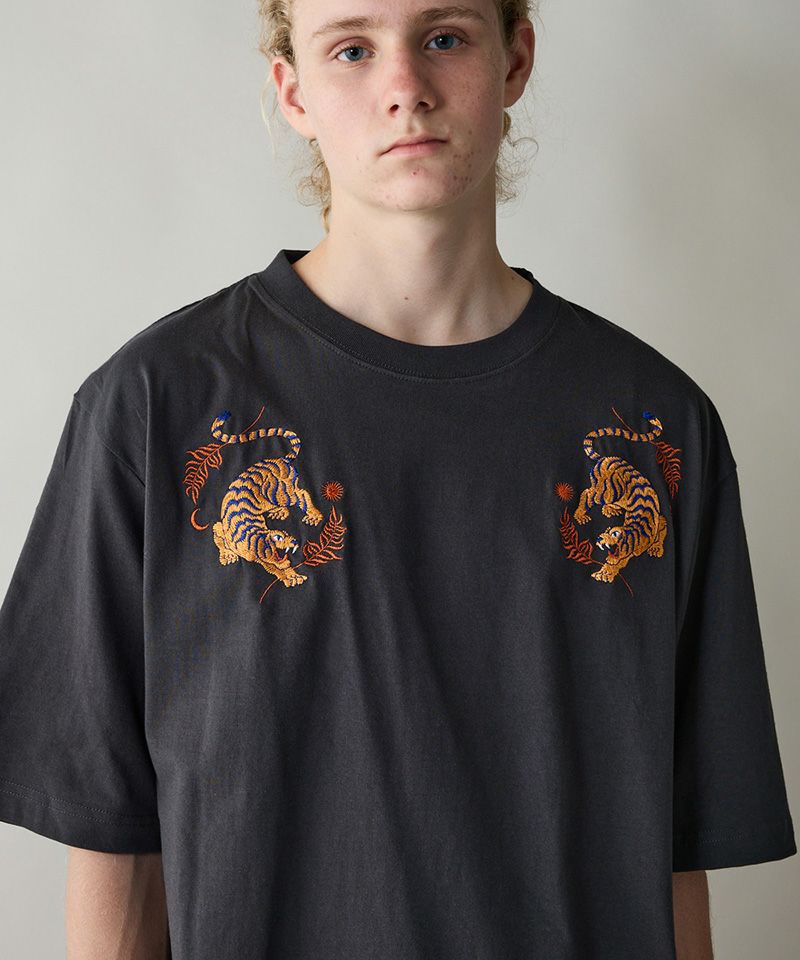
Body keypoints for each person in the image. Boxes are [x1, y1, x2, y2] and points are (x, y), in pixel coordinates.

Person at [0, 1, 795, 958]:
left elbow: (675, 855)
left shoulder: (657, 431)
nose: (405, 89)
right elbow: (113, 836)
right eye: (352, 48)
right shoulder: (154, 411)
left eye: (444, 37)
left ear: (515, 60)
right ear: (293, 88)